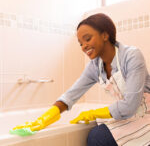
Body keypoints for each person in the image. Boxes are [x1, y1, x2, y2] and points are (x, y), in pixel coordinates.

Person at [12, 13, 150, 146]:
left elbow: (130, 105)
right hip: (129, 117)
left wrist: (92, 113)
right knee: (97, 135)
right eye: (80, 43)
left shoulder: (131, 56)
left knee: (98, 137)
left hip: (146, 117)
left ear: (105, 35)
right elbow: (71, 95)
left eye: (88, 39)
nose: (84, 46)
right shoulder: (95, 66)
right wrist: (43, 120)